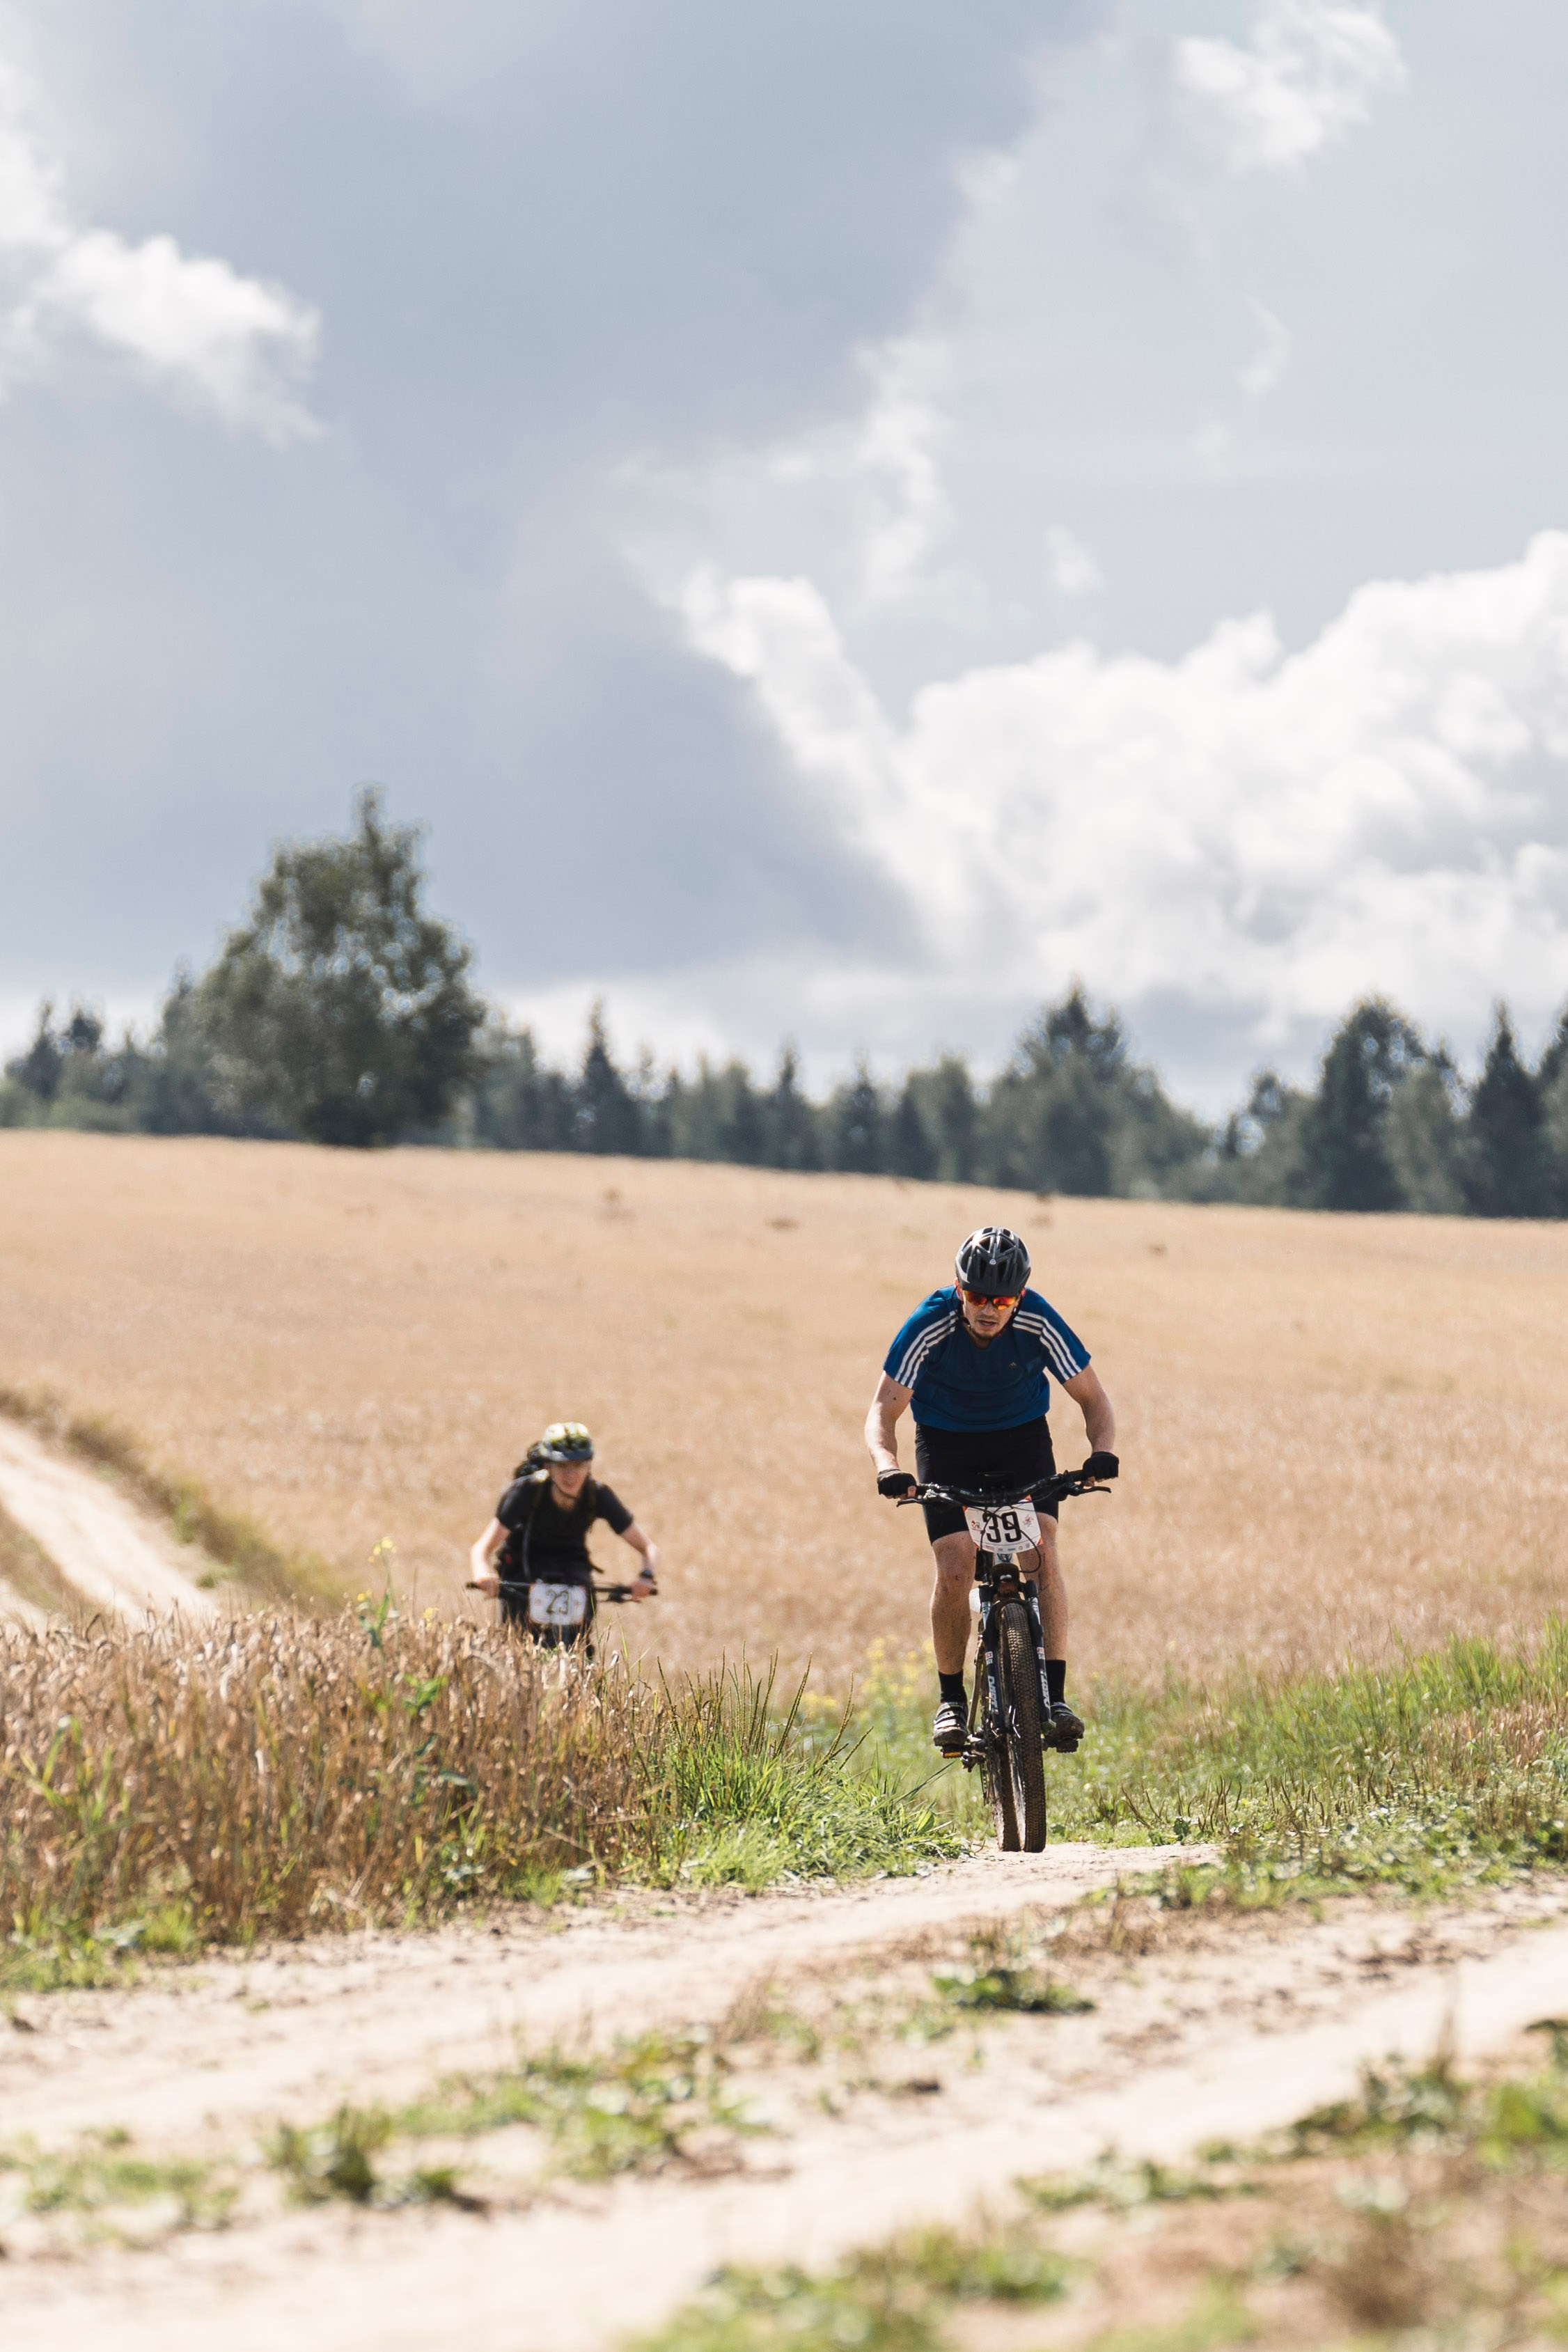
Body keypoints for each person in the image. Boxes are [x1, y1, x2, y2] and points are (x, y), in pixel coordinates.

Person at [863, 1225, 1118, 1756]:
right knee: (955, 1564)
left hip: (1020, 1440)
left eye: (1002, 1300)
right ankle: (952, 1700)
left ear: (1019, 1297)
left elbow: (1093, 1398)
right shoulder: (930, 1323)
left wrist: (1102, 1453)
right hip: (946, 1442)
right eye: (977, 1296)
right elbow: (883, 1409)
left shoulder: (1039, 1320)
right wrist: (888, 1465)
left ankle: (1056, 1697)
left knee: (1042, 1553)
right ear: (959, 1288)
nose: (989, 1309)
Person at [468, 1420, 657, 1649]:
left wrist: (646, 1576)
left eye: (578, 1465)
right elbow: (481, 1548)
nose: (571, 1475)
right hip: (524, 1566)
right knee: (516, 1646)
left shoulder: (597, 1494)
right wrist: (483, 1573)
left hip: (572, 1567)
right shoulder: (526, 1492)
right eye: (562, 1466)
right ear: (548, 1466)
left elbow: (648, 1548)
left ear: (589, 1465)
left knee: (580, 1647)